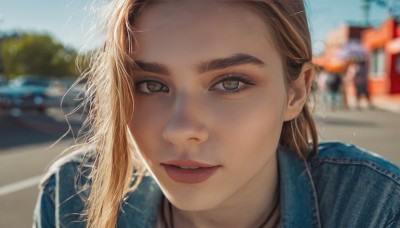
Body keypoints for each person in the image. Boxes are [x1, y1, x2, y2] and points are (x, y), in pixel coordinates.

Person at [33, 1, 400, 227]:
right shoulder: (70, 199)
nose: (181, 131)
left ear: (297, 90)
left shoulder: (373, 207)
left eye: (230, 83)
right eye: (150, 85)